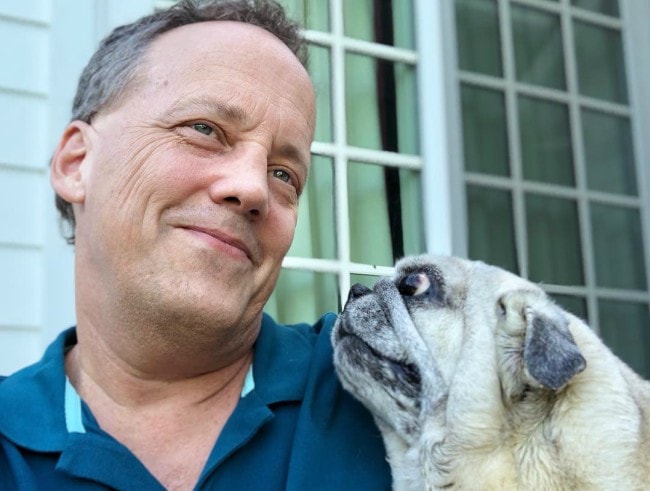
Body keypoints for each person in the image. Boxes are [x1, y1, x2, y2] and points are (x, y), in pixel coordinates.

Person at [0, 1, 391, 489]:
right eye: (204, 130)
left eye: (283, 174)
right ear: (77, 164)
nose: (253, 189)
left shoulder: (386, 386)